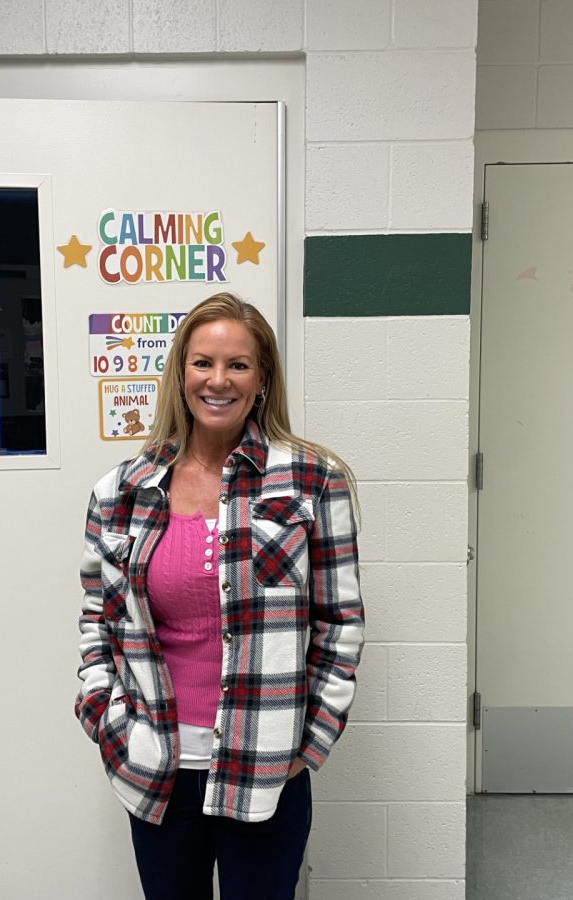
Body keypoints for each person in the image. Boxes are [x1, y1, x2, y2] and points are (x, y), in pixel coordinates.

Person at [75, 292, 364, 900]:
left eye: (238, 365)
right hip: (156, 764)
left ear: (261, 380)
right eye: (203, 362)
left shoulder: (313, 479)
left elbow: (340, 622)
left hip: (266, 766)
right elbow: (97, 624)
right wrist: (107, 719)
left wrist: (309, 741)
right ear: (181, 374)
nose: (218, 380)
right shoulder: (122, 491)